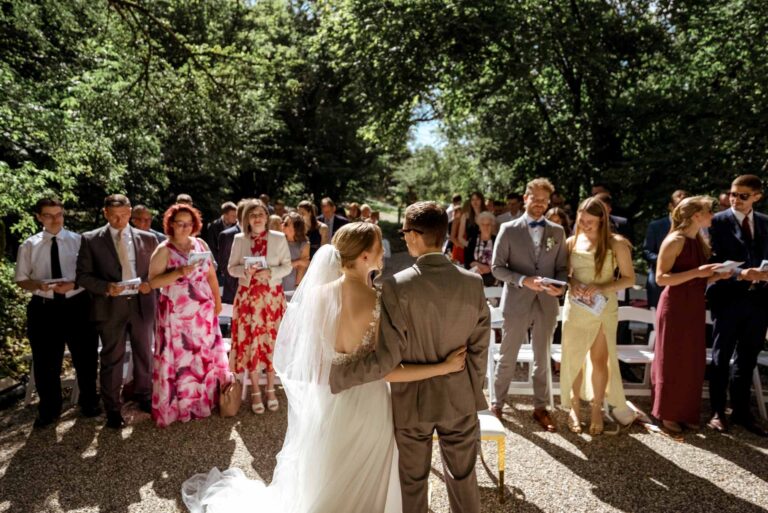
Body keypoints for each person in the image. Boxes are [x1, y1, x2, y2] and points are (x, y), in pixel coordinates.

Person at [181, 221, 469, 513]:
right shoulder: (379, 302)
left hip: (328, 400)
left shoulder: (317, 297)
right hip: (369, 403)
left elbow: (313, 360)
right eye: (378, 247)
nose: (384, 253)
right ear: (364, 256)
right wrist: (442, 367)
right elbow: (387, 370)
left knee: (328, 469)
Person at [329, 209, 490, 513]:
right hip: (460, 399)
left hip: (412, 404)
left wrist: (340, 376)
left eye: (404, 233)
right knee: (464, 478)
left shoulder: (395, 286)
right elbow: (480, 347)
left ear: (415, 236)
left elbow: (387, 360)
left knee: (413, 482)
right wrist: (469, 389)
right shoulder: (473, 283)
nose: (404, 239)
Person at [15, 198, 100, 427]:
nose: (55, 220)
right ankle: (49, 409)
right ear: (39, 217)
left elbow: (89, 273)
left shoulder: (79, 241)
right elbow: (22, 280)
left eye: (59, 214)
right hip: (44, 309)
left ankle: (89, 401)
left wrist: (74, 285)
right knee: (45, 362)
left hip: (77, 304)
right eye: (49, 215)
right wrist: (38, 285)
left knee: (86, 357)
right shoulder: (29, 245)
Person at [491, 177, 568, 430]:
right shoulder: (509, 229)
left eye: (544, 201)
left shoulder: (557, 231)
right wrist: (523, 280)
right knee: (507, 355)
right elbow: (497, 268)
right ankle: (497, 404)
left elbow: (562, 268)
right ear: (526, 198)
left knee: (542, 356)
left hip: (546, 304)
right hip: (516, 301)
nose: (539, 205)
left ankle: (541, 407)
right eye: (535, 200)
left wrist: (560, 287)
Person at [76, 194, 158, 429]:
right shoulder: (91, 239)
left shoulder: (148, 238)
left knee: (145, 353)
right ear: (105, 214)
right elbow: (82, 275)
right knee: (112, 358)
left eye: (123, 215)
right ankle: (112, 407)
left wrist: (148, 283)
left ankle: (144, 396)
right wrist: (105, 287)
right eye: (114, 217)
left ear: (130, 212)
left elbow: (155, 272)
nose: (119, 220)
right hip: (110, 306)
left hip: (141, 305)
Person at [147, 204, 230, 427]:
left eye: (188, 223)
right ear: (171, 225)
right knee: (180, 360)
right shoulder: (164, 249)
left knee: (201, 357)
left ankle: (201, 403)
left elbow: (212, 275)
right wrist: (178, 273)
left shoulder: (200, 244)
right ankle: (178, 407)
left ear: (195, 225)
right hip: (175, 314)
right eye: (179, 223)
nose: (184, 227)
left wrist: (217, 301)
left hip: (202, 313)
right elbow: (153, 282)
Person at [560, 197, 636, 435]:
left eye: (590, 221)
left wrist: (602, 288)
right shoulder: (571, 242)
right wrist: (573, 283)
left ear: (602, 219)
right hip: (575, 307)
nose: (584, 225)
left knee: (599, 359)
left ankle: (595, 410)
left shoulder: (617, 243)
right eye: (581, 220)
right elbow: (565, 274)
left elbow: (629, 279)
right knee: (573, 358)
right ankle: (573, 408)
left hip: (603, 308)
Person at [652, 196, 729, 434]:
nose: (712, 216)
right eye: (708, 212)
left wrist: (717, 275)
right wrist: (698, 272)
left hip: (694, 303)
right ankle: (667, 412)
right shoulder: (674, 240)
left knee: (692, 359)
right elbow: (661, 278)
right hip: (675, 305)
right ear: (696, 215)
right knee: (672, 359)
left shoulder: (699, 239)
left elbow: (696, 278)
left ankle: (686, 411)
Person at [707, 175, 768, 436]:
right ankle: (718, 411)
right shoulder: (716, 222)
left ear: (757, 196)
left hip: (760, 301)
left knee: (747, 357)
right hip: (728, 298)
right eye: (733, 194)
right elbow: (711, 261)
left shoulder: (765, 222)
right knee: (721, 357)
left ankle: (742, 411)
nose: (736, 199)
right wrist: (740, 274)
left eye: (743, 195)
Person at [228, 200, 292, 414]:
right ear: (246, 218)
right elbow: (231, 268)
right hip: (247, 300)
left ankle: (271, 389)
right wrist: (244, 272)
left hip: (272, 300)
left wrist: (271, 272)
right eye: (252, 214)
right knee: (252, 342)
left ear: (266, 217)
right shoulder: (239, 239)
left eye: (261, 214)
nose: (257, 218)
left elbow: (287, 266)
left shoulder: (279, 238)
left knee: (271, 342)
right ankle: (255, 390)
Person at [644, 190, 689, 308]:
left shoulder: (694, 228)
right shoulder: (656, 226)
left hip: (685, 280)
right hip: (659, 280)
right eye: (679, 206)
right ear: (671, 206)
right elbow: (647, 252)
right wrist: (665, 261)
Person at [217, 199, 249, 305]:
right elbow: (224, 265)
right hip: (234, 290)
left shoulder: (257, 235)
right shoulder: (227, 235)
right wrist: (239, 287)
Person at [464, 210, 498, 286]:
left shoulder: (497, 240)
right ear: (479, 226)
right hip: (474, 279)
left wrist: (489, 269)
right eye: (483, 224)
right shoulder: (472, 240)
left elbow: (502, 260)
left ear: (492, 226)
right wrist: (480, 266)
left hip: (494, 280)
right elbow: (467, 260)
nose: (485, 227)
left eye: (488, 224)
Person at [281, 212, 310, 294]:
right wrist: (298, 262)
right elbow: (278, 266)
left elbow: (302, 268)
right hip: (278, 280)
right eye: (283, 222)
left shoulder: (304, 244)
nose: (282, 224)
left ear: (295, 228)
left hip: (294, 283)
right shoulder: (278, 241)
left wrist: (297, 288)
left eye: (286, 224)